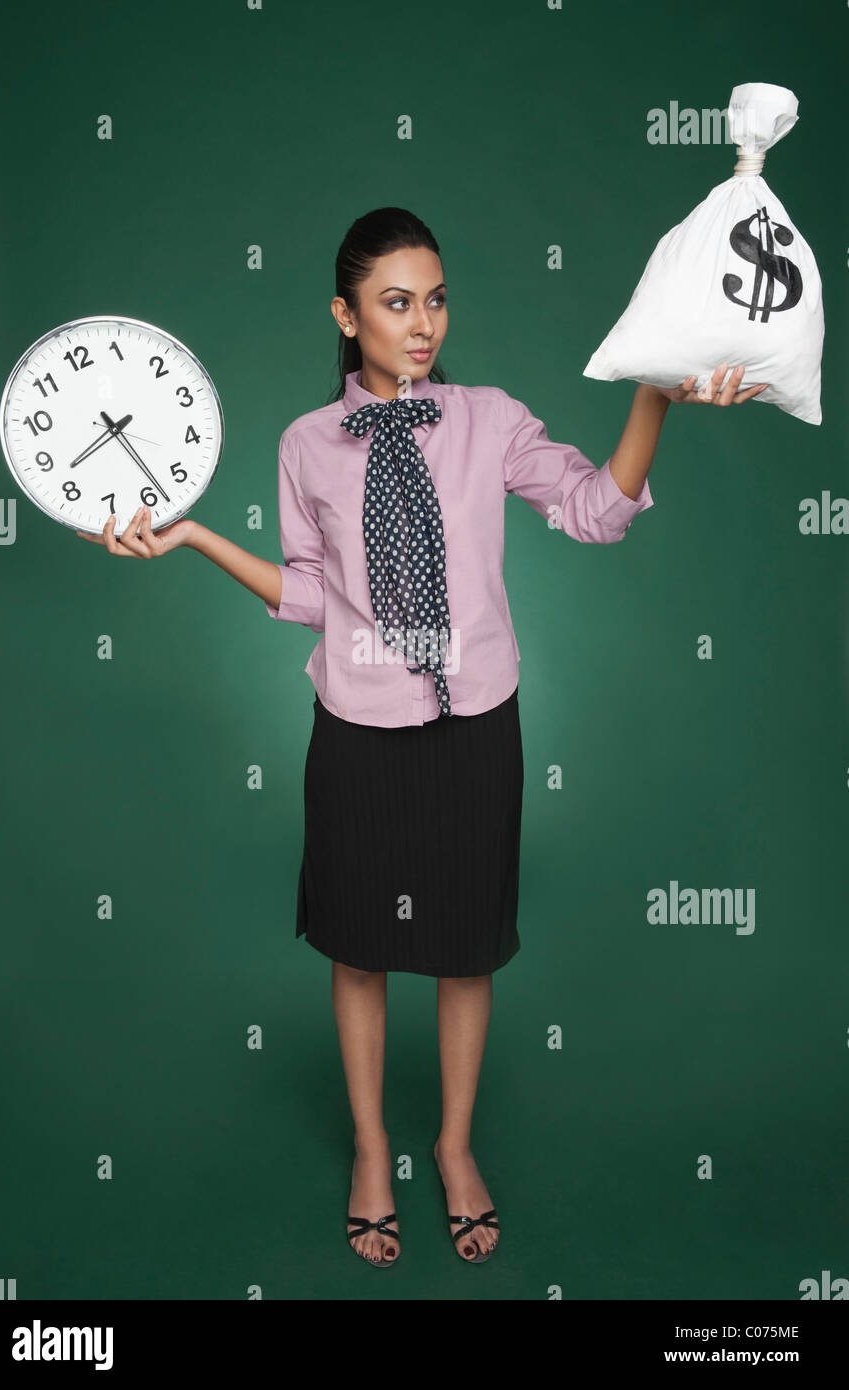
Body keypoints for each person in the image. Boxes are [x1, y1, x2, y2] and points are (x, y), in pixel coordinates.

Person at [76, 207, 767, 1270]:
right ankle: (367, 1148)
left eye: (435, 298)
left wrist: (652, 396)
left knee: (463, 947)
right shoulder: (305, 443)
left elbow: (592, 508)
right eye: (396, 303)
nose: (422, 323)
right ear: (345, 316)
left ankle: (449, 1147)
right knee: (359, 947)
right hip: (355, 731)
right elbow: (313, 594)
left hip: (474, 724)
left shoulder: (487, 419)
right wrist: (200, 537)